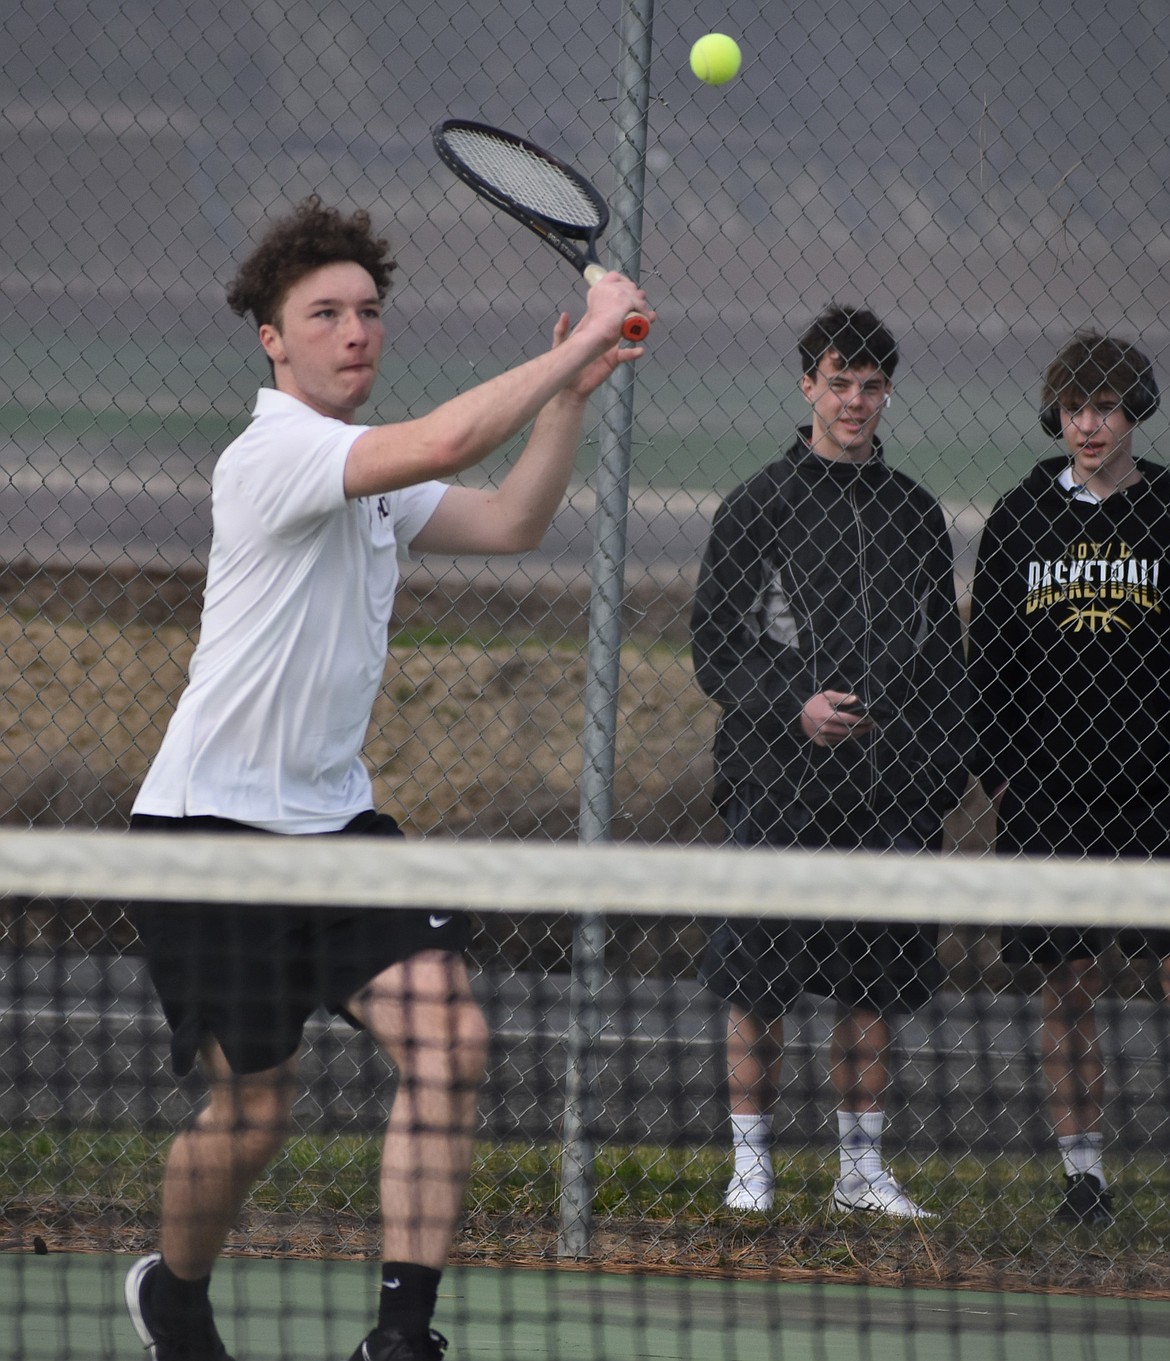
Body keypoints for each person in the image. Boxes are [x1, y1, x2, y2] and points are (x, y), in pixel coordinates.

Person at [121, 195, 652, 1361]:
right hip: (207, 833)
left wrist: (568, 398)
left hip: (340, 826)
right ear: (273, 336)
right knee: (258, 1112)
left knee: (451, 1039)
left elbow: (512, 517)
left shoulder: (365, 477)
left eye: (368, 310)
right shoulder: (276, 454)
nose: (355, 330)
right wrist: (577, 338)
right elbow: (452, 443)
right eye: (325, 313)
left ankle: (401, 1333)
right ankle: (175, 1292)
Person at [690, 304, 969, 1219]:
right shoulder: (756, 505)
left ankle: (859, 1172)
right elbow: (714, 650)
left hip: (888, 798)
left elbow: (942, 658)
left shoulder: (916, 512)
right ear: (807, 383)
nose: (855, 400)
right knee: (755, 982)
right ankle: (751, 1170)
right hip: (777, 790)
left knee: (873, 986)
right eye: (839, 382)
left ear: (888, 393)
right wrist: (793, 707)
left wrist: (936, 778)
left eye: (871, 385)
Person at [967, 331, 1170, 1228]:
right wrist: (1002, 771)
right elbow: (992, 660)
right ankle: (1083, 1178)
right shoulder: (1021, 516)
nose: (1089, 425)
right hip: (1051, 791)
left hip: (1155, 792)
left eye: (1108, 408)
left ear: (1137, 413)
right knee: (1067, 982)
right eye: (1076, 409)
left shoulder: (1167, 509)